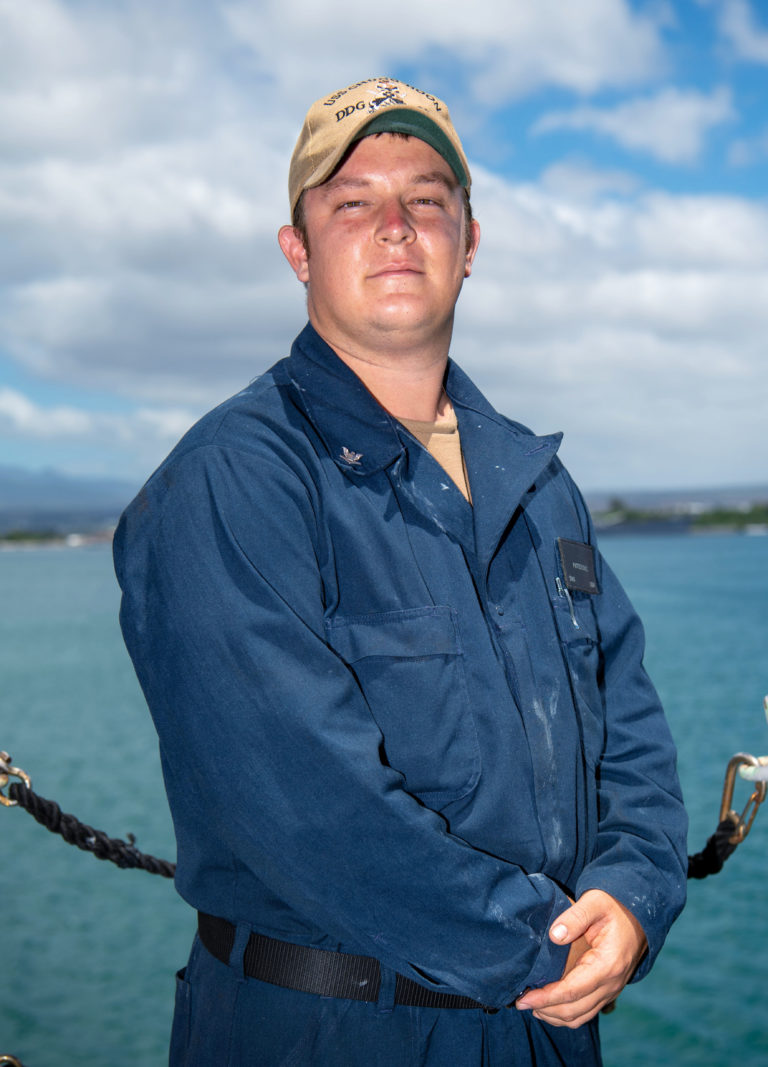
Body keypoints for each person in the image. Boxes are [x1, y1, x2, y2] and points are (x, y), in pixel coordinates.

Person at [114, 77, 688, 1066]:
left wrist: (634, 901)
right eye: (352, 202)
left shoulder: (538, 484)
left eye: (427, 199)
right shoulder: (232, 481)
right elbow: (304, 809)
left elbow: (627, 727)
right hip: (326, 1032)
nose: (394, 226)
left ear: (469, 244)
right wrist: (548, 949)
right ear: (297, 249)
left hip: (544, 1033)